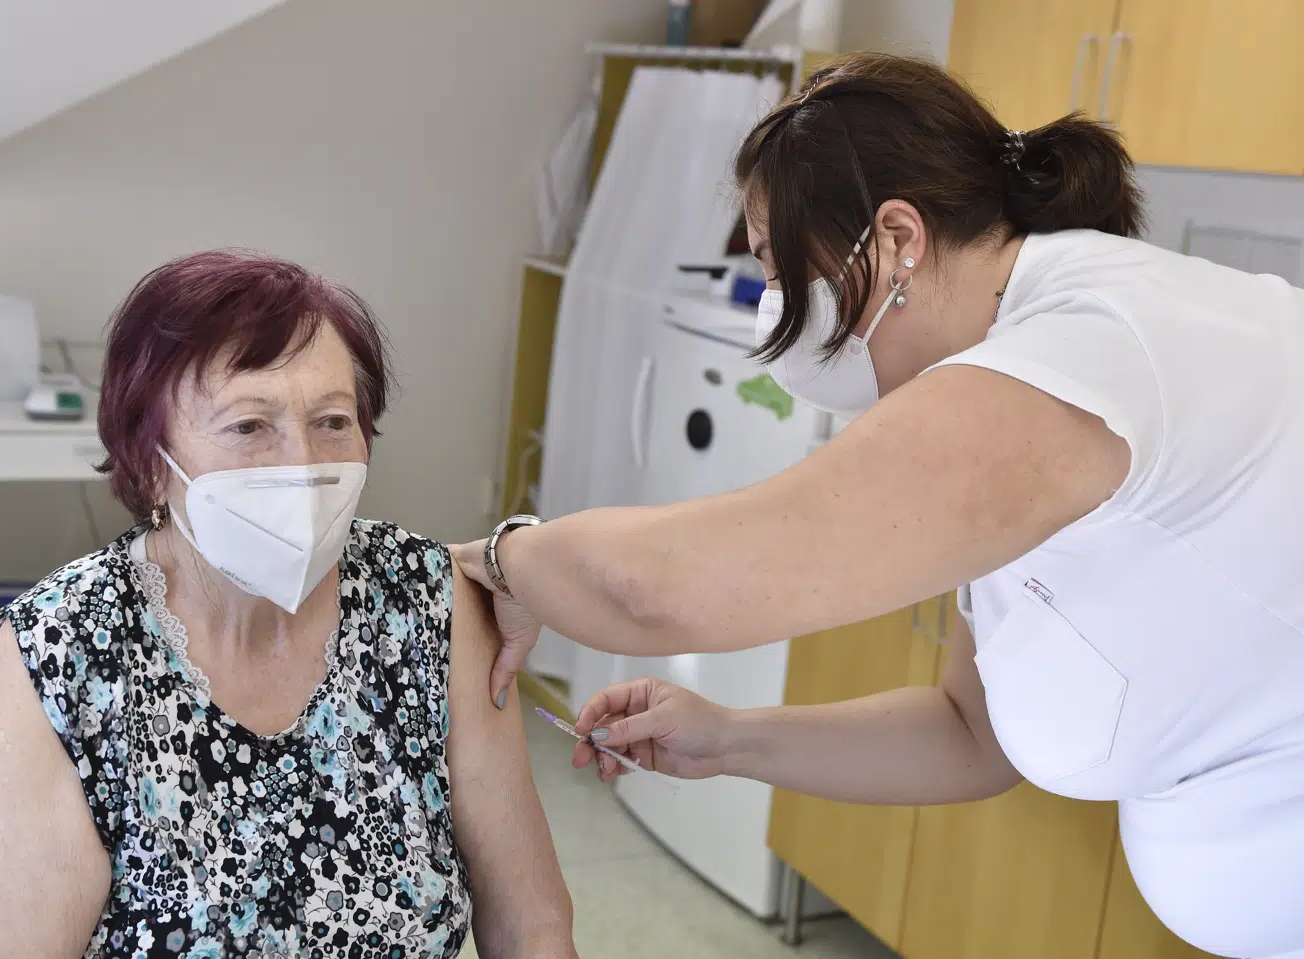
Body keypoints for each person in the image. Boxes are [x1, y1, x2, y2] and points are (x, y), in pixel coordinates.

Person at [453, 53, 1304, 959]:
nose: (773, 309)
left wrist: (495, 561)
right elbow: (970, 736)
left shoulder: (1074, 356)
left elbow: (659, 589)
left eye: (782, 272)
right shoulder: (1027, 357)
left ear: (898, 239)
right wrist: (727, 738)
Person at [0, 251, 576, 959]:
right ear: (151, 463)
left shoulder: (430, 604)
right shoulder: (65, 650)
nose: (302, 463)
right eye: (249, 426)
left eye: (333, 421)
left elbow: (532, 925)